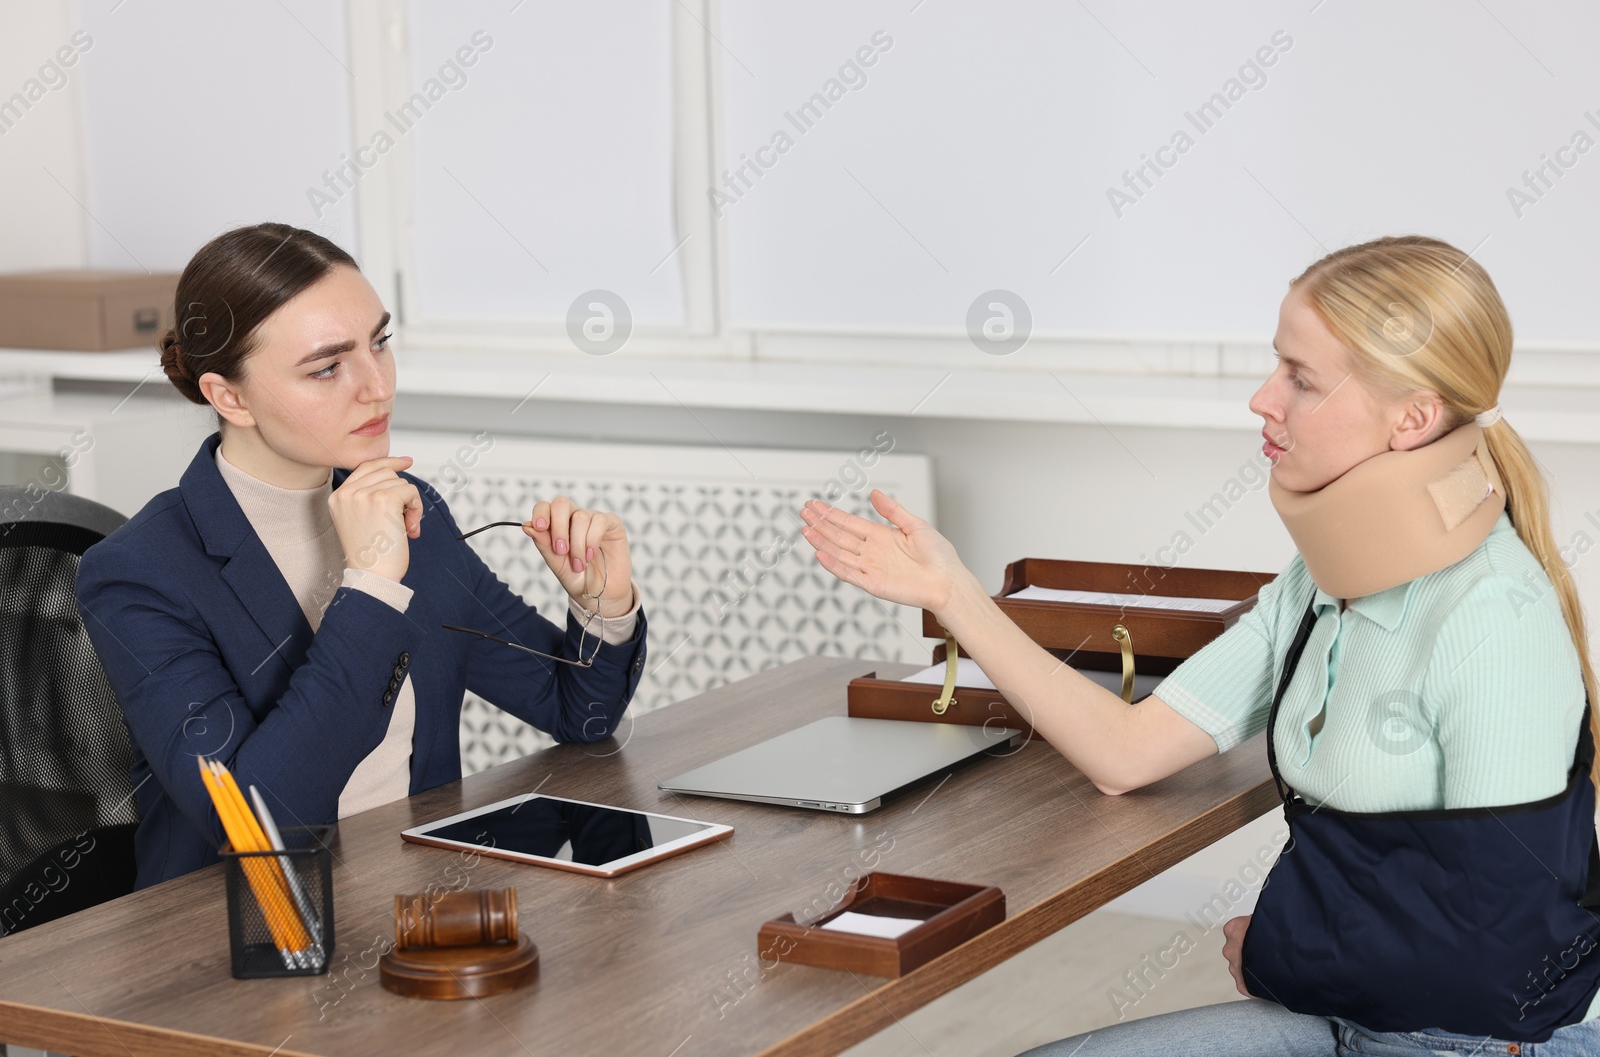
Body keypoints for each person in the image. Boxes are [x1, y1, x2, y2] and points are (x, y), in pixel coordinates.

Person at [800, 236, 1600, 1055]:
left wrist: (1277, 951)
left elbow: (1511, 958)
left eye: (1301, 376)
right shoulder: (1321, 581)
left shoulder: (1495, 621)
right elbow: (1127, 750)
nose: (1263, 397)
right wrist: (952, 593)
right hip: (1345, 1011)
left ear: (1416, 418)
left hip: (1474, 1042)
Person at [76, 224, 649, 889]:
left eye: (380, 343)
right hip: (251, 945)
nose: (377, 386)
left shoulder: (413, 512)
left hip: (414, 910)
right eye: (328, 366)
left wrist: (601, 603)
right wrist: (371, 588)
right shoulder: (141, 572)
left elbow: (578, 710)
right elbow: (258, 822)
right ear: (228, 396)